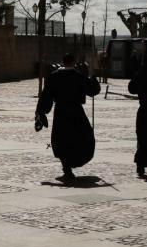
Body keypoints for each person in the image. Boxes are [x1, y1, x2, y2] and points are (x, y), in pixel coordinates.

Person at [36, 53, 101, 181]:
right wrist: (93, 78)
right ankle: (74, 161)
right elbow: (92, 91)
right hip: (76, 112)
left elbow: (46, 96)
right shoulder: (78, 76)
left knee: (62, 139)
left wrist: (41, 112)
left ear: (63, 61)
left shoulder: (54, 77)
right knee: (81, 137)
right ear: (74, 62)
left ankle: (66, 168)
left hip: (61, 112)